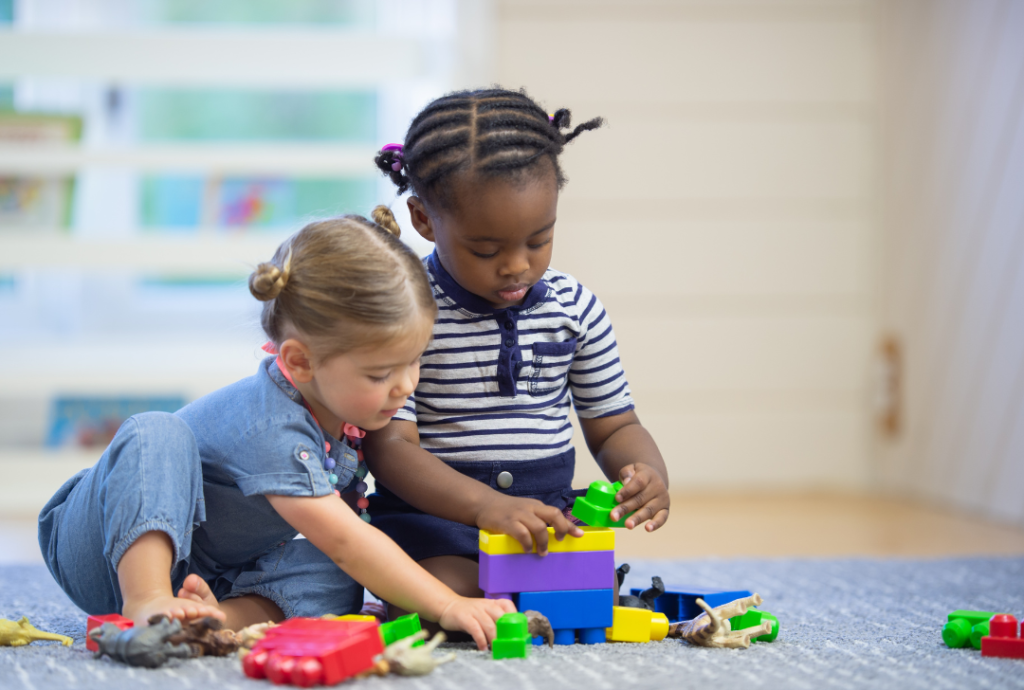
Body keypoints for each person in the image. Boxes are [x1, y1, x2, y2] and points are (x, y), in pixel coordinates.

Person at [37, 207, 514, 649]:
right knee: (156, 432)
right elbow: (349, 539)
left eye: (414, 362)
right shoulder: (273, 426)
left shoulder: (341, 412)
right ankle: (148, 601)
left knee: (337, 577)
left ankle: (213, 619)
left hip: (210, 568)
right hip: (100, 546)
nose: (405, 386)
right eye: (379, 374)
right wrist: (448, 603)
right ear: (300, 362)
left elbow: (344, 547)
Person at [366, 88, 671, 617]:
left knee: (588, 599)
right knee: (450, 593)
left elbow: (614, 425)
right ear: (423, 220)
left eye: (539, 239)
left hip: (542, 522)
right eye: (485, 250)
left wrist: (645, 471)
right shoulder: (408, 314)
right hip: (438, 523)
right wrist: (486, 508)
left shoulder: (575, 309)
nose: (516, 266)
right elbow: (390, 448)